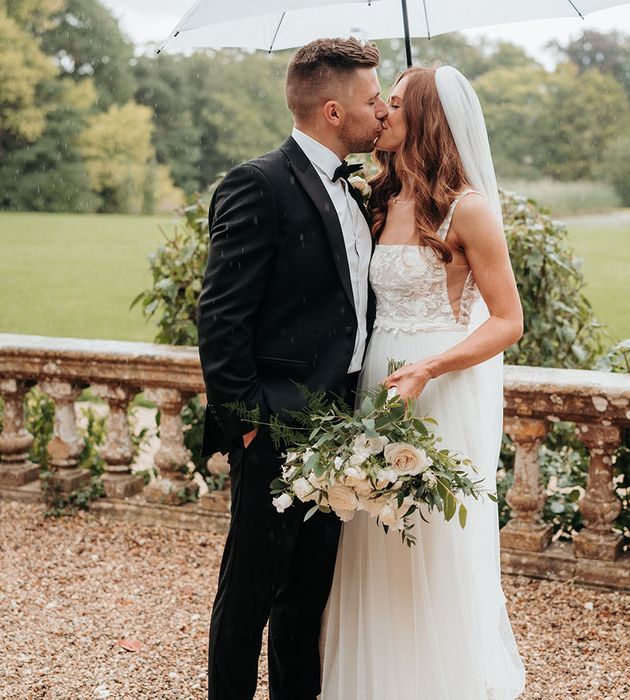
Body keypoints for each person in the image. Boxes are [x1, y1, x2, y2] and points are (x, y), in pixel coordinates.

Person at [319, 66, 527, 699]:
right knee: (372, 523)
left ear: (429, 119)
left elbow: (509, 320)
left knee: (434, 534)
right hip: (380, 377)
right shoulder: (380, 200)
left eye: (398, 103)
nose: (381, 111)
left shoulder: (469, 209)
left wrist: (431, 368)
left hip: (441, 382)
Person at [196, 38, 388, 700]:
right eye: (372, 100)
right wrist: (251, 427)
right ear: (334, 111)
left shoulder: (357, 191)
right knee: (247, 596)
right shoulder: (258, 183)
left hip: (340, 427)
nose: (382, 110)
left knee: (306, 602)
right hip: (275, 425)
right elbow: (220, 320)